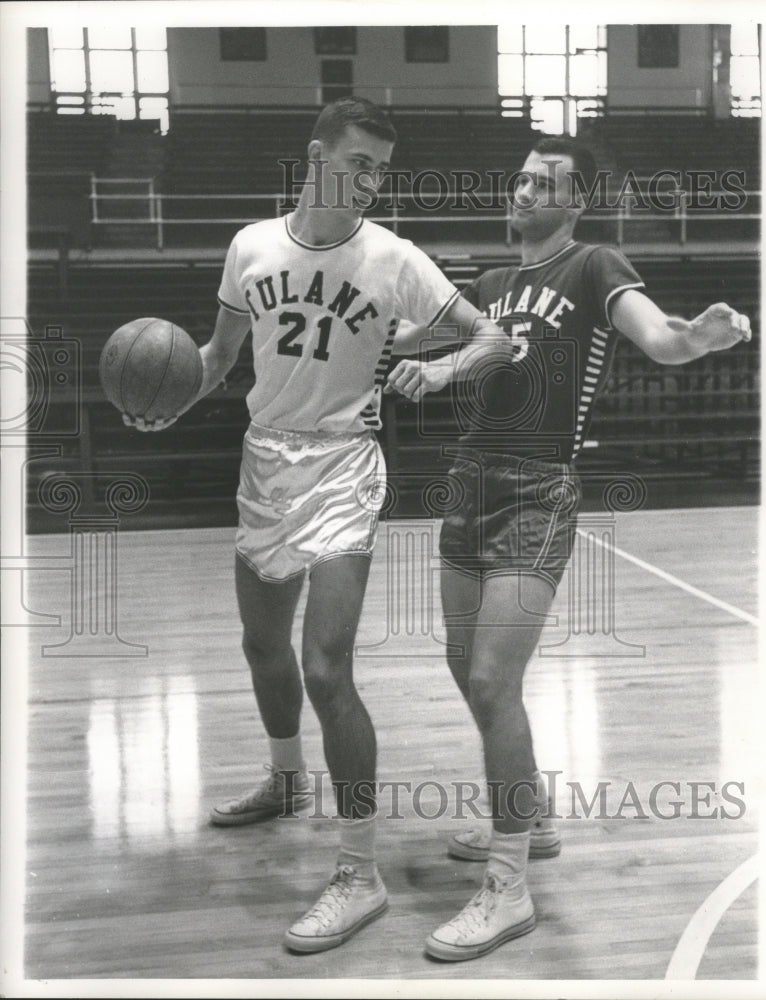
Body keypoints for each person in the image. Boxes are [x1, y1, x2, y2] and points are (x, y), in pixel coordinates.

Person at [125, 96, 510, 954]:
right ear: (316, 154)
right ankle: (284, 778)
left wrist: (441, 368)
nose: (370, 181)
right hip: (265, 461)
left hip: (344, 464)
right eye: (358, 162)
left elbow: (494, 340)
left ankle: (358, 869)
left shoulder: (395, 258)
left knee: (325, 667)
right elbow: (218, 359)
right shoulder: (250, 247)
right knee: (261, 649)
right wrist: (169, 404)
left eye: (381, 168)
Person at [386, 136, 751, 961]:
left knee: (491, 676)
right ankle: (531, 818)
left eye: (543, 182)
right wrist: (387, 318)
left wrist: (700, 336)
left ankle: (509, 888)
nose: (523, 190)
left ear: (576, 201)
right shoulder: (487, 284)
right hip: (468, 480)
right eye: (517, 178)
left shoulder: (592, 264)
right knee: (466, 673)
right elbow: (418, 339)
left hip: (537, 492)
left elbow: (658, 337)